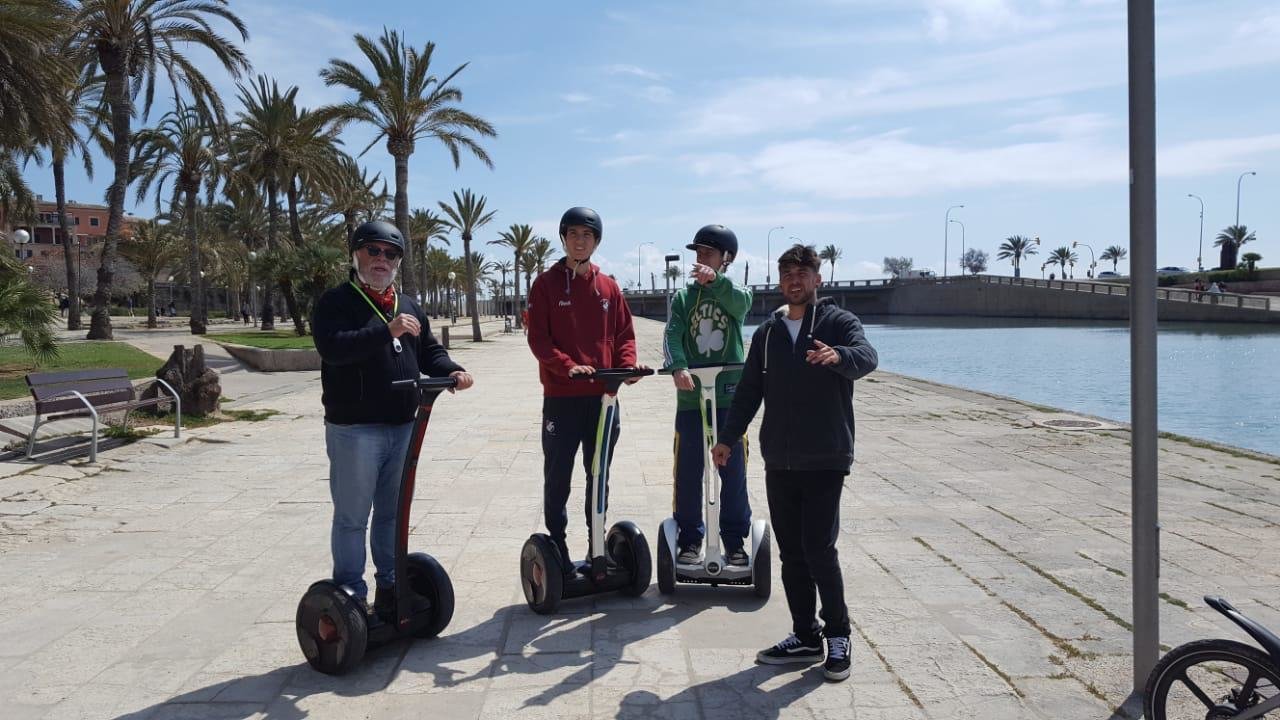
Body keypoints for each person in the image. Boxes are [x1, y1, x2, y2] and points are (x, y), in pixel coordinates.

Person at [713, 243, 878, 683]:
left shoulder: (838, 322)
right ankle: (805, 634)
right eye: (787, 273)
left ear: (817, 280)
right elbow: (748, 392)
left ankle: (838, 635)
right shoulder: (767, 335)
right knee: (791, 555)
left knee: (820, 550)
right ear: (780, 280)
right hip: (780, 461)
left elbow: (868, 356)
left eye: (803, 272)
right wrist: (728, 438)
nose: (795, 279)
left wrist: (838, 356)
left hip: (825, 457)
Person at [312, 220, 474, 618]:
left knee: (391, 513)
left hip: (403, 425)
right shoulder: (336, 302)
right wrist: (386, 331)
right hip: (355, 430)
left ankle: (390, 585)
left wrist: (452, 370)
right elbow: (333, 349)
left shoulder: (408, 304)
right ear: (356, 254)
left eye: (391, 253)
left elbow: (428, 351)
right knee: (352, 517)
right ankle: (350, 593)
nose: (382, 259)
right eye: (374, 251)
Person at [526, 206, 645, 573]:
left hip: (604, 400)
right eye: (574, 234)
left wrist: (627, 368)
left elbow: (624, 334)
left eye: (588, 235)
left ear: (596, 241)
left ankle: (598, 544)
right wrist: (567, 367)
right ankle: (557, 543)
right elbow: (539, 340)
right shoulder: (546, 284)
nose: (581, 241)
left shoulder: (608, 286)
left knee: (599, 474)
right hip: (562, 399)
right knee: (558, 474)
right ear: (563, 238)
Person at [663, 224, 753, 566]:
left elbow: (740, 305)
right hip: (691, 400)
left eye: (708, 254)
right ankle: (689, 539)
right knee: (687, 473)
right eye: (698, 254)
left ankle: (734, 541)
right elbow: (672, 336)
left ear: (726, 259)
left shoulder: (736, 293)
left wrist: (715, 282)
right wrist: (678, 367)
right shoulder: (684, 297)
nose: (701, 260)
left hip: (731, 400)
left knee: (733, 473)